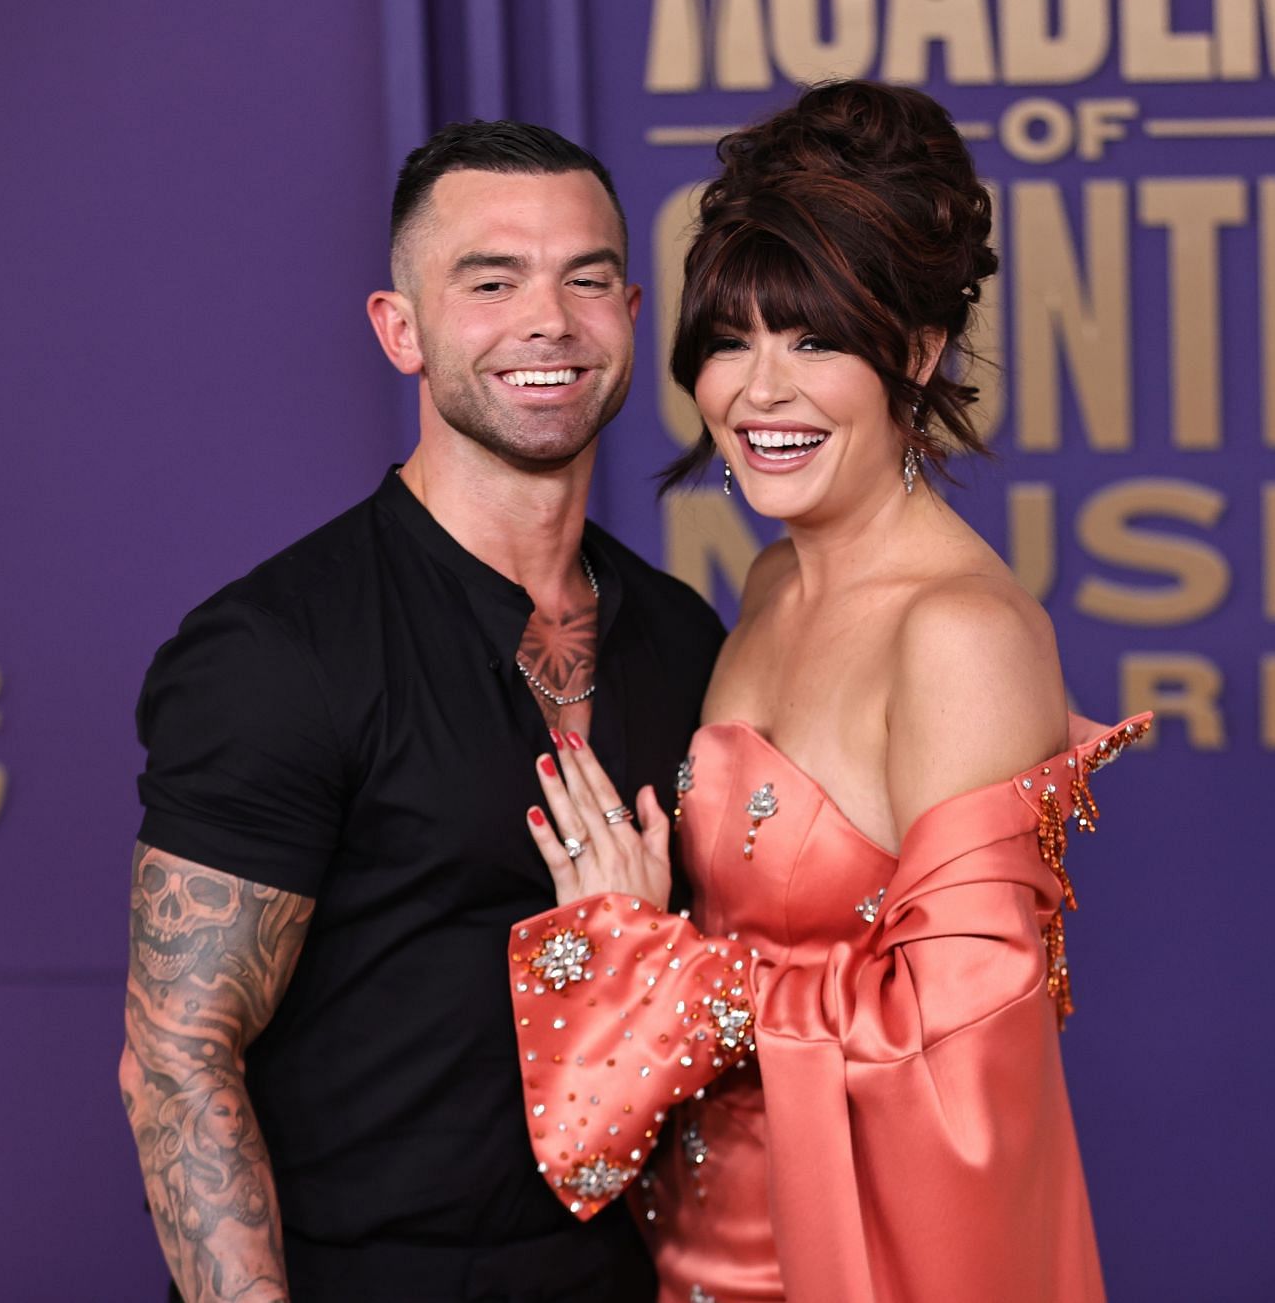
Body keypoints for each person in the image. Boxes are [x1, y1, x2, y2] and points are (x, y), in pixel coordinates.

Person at [502, 82, 1149, 1302]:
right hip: (696, 1254)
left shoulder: (959, 632)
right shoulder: (769, 585)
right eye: (731, 340)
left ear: (912, 352)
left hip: (868, 1263)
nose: (760, 391)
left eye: (813, 340)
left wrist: (664, 969)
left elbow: (959, 1035)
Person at [121, 120, 724, 1303]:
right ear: (401, 329)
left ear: (632, 313)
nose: (547, 320)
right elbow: (177, 1057)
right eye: (491, 281)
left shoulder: (685, 635)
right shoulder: (279, 647)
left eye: (585, 279)